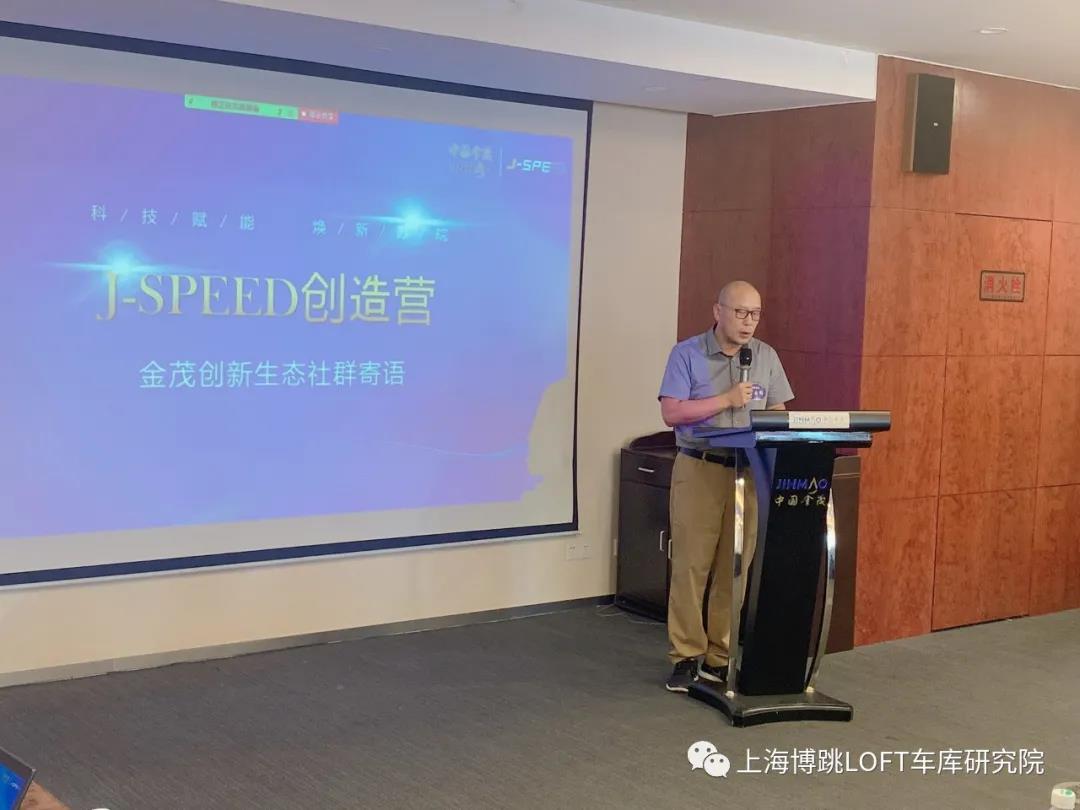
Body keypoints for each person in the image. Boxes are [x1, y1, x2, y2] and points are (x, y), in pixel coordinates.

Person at [657, 280, 793, 692]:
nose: (748, 322)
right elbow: (671, 413)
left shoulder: (765, 356)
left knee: (734, 566)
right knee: (691, 566)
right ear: (718, 312)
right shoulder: (687, 354)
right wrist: (727, 399)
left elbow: (779, 413)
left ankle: (720, 656)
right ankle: (685, 656)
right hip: (700, 468)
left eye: (755, 314)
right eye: (740, 312)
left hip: (747, 472)